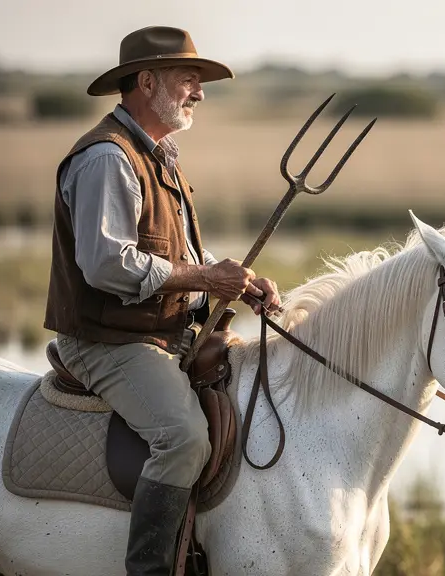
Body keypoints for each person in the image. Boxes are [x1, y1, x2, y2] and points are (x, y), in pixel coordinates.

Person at [42, 25, 281, 575]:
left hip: (160, 333)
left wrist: (239, 282)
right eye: (188, 79)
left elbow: (180, 254)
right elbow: (105, 265)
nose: (199, 92)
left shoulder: (161, 156)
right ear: (146, 82)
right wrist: (205, 276)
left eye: (198, 82)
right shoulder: (108, 158)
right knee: (184, 437)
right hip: (107, 342)